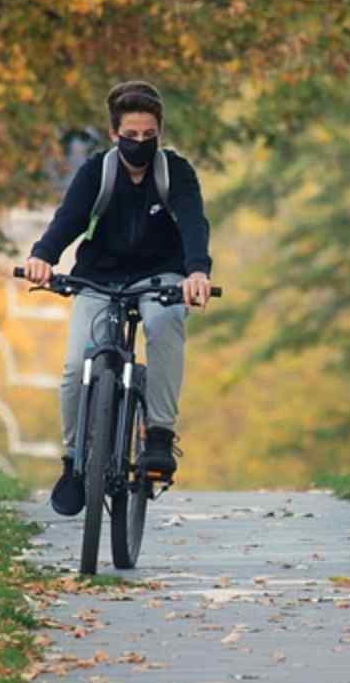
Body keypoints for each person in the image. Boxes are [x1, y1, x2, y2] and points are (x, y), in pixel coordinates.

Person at [22, 81, 212, 515]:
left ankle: (159, 436)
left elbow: (193, 222)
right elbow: (68, 219)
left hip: (160, 276)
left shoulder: (175, 172)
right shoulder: (97, 172)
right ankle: (73, 461)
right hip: (100, 277)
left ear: (159, 132)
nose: (140, 144)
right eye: (131, 136)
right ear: (114, 134)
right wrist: (41, 257)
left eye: (149, 136)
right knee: (75, 366)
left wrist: (197, 270)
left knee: (165, 324)